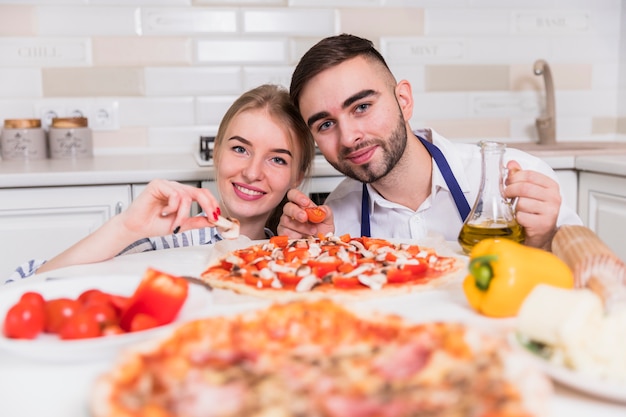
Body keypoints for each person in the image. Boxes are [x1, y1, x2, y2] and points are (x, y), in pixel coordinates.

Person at [278, 34, 582, 250]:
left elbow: (589, 289)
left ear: (404, 100)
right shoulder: (334, 223)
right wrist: (310, 257)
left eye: (362, 107)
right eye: (326, 124)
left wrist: (540, 240)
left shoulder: (516, 183)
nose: (349, 137)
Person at [6, 84, 315, 283]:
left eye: (277, 159)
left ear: (297, 176)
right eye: (239, 149)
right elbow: (22, 285)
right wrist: (125, 228)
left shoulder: (292, 257)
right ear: (216, 152)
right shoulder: (165, 239)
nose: (251, 172)